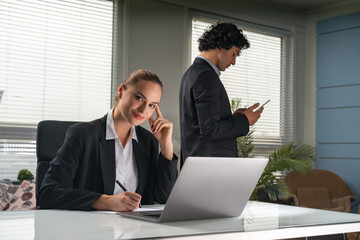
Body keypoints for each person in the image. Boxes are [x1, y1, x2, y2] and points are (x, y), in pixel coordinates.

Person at [38, 69, 178, 212]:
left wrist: (166, 145)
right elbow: (48, 193)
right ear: (121, 91)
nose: (143, 110)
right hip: (91, 229)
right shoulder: (83, 135)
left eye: (152, 105)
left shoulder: (148, 142)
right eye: (139, 98)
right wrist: (105, 201)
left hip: (135, 229)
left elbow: (164, 198)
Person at [179, 22, 263, 166]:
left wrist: (233, 117)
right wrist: (245, 121)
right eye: (234, 54)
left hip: (199, 163)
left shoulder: (192, 73)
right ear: (221, 46)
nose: (234, 61)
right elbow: (210, 130)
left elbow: (202, 124)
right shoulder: (206, 76)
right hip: (210, 167)